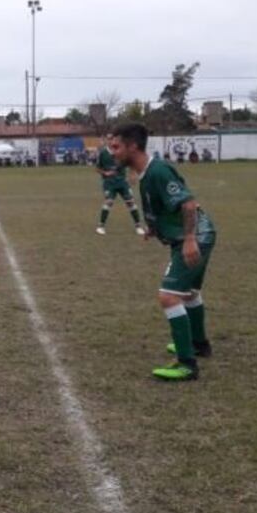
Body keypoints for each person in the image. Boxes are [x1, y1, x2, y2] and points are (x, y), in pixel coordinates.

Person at [110, 122, 217, 382]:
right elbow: (166, 207)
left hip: (194, 237)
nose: (112, 152)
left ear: (132, 146)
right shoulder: (145, 173)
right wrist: (155, 228)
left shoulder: (158, 171)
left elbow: (189, 204)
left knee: (169, 297)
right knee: (188, 292)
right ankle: (199, 344)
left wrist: (190, 239)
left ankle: (186, 364)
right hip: (191, 235)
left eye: (116, 146)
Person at [94, 134, 145, 236]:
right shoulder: (103, 153)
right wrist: (105, 173)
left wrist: (133, 174)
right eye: (109, 139)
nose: (111, 141)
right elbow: (97, 168)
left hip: (122, 182)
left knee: (130, 202)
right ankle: (101, 226)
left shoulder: (122, 152)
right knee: (109, 202)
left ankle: (138, 226)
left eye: (113, 139)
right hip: (109, 183)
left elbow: (131, 163)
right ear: (107, 141)